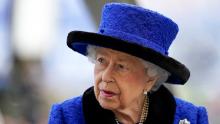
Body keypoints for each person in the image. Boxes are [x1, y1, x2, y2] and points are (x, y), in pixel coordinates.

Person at [48, 3, 208, 124]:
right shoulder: (67, 116)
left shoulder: (192, 117)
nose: (106, 76)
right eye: (101, 60)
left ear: (150, 79)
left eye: (121, 66)